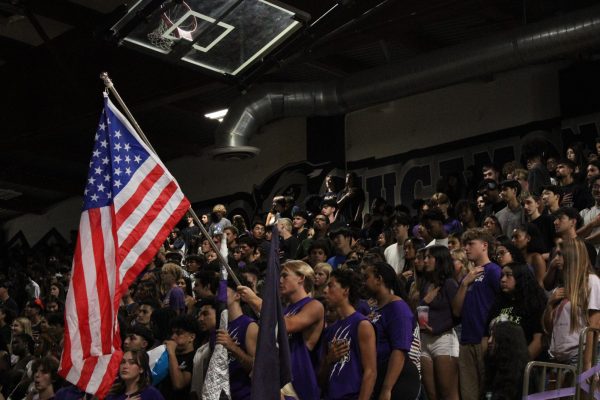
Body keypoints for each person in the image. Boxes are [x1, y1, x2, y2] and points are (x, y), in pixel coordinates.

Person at [238, 261, 325, 400]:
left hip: (298, 384)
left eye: (285, 276)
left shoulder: (314, 305)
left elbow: (288, 325)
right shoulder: (284, 310)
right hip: (277, 379)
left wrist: (255, 299)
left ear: (301, 278)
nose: (280, 280)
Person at [452, 228, 501, 400]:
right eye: (465, 245)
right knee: (469, 395)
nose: (466, 248)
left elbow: (503, 304)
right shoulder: (467, 276)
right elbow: (456, 310)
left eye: (471, 244)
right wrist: (464, 284)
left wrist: (494, 334)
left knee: (488, 393)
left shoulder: (494, 271)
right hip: (466, 340)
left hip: (485, 339)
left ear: (484, 246)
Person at [364, 262, 420, 400]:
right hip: (381, 376)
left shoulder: (398, 308)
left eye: (367, 277)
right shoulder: (378, 308)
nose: (364, 282)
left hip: (398, 381)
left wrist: (387, 389)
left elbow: (399, 350)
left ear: (379, 279)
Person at [319, 268, 377, 400]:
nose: (325, 290)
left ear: (346, 290)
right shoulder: (329, 330)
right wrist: (329, 360)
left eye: (330, 285)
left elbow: (370, 372)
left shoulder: (362, 325)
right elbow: (321, 380)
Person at [545, 238, 600, 370]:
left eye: (560, 254)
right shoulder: (560, 288)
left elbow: (594, 325)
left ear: (572, 255)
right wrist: (550, 304)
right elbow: (548, 327)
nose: (556, 259)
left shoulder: (591, 281)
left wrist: (587, 364)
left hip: (579, 358)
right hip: (558, 360)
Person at [419, 246, 460, 400]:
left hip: (444, 339)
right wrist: (425, 300)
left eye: (429, 257)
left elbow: (458, 315)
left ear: (440, 260)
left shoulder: (449, 284)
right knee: (432, 394)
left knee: (447, 393)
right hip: (425, 341)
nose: (425, 260)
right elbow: (420, 309)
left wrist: (437, 329)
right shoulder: (426, 284)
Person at [486, 262, 546, 361]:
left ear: (520, 278)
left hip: (526, 367)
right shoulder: (498, 303)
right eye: (502, 276)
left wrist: (520, 366)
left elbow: (538, 341)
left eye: (508, 275)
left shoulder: (533, 304)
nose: (503, 280)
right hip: (499, 365)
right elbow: (486, 336)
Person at [483, 321, 529, 400]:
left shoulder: (524, 374)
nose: (489, 341)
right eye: (490, 336)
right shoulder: (493, 365)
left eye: (494, 337)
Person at [158, 315, 198, 399]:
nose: (173, 337)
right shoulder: (167, 354)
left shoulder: (195, 358)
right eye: (172, 333)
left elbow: (179, 384)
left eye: (179, 333)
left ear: (191, 337)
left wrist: (171, 353)